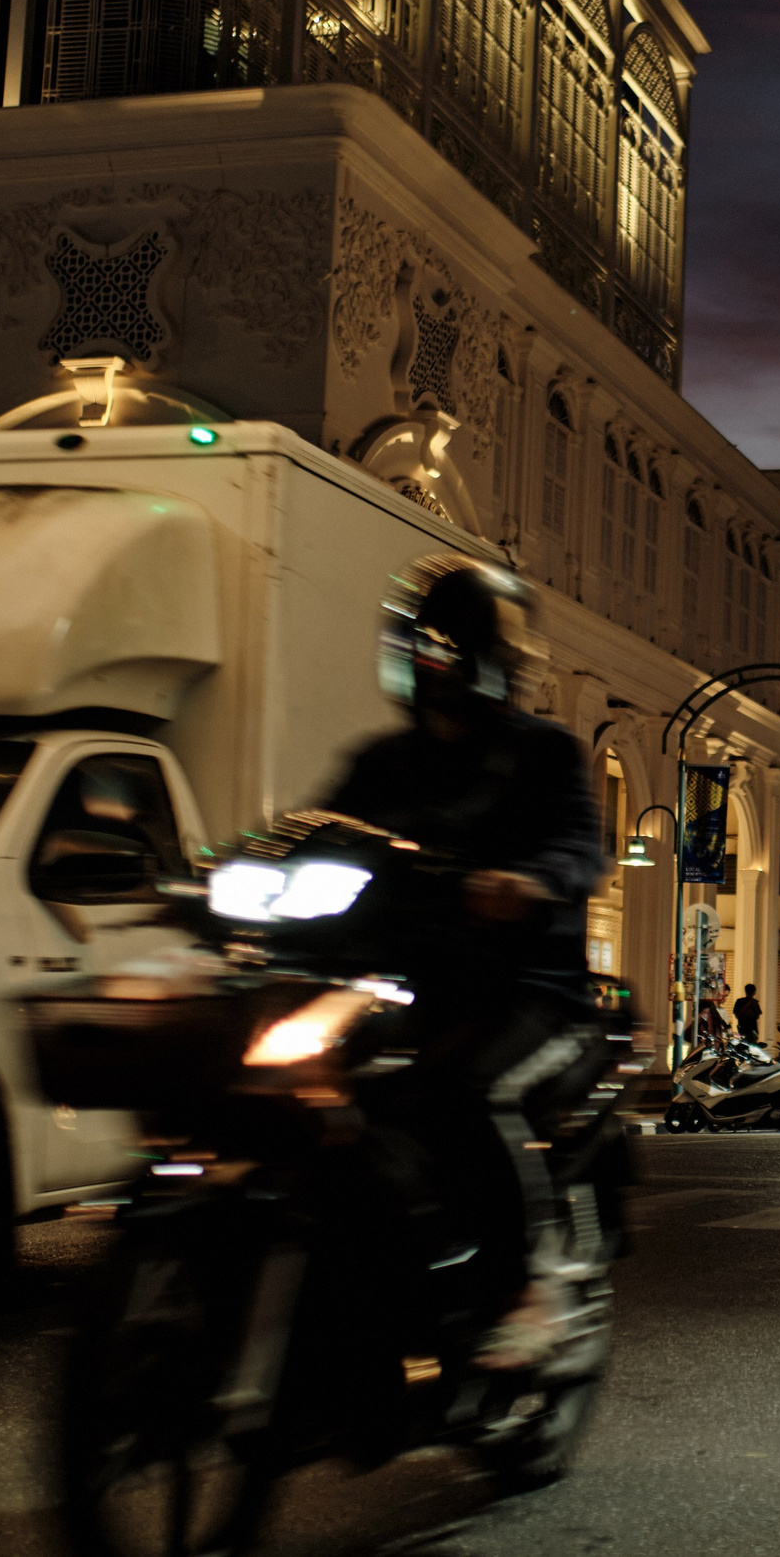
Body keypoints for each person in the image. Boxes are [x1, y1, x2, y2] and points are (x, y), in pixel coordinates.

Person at [321, 558, 607, 1373]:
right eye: (422, 648)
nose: (430, 663)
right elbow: (319, 829)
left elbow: (582, 850)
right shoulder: (381, 761)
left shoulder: (545, 754)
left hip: (529, 995)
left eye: (447, 649)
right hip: (410, 990)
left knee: (473, 1092)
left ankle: (526, 1291)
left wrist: (532, 881)